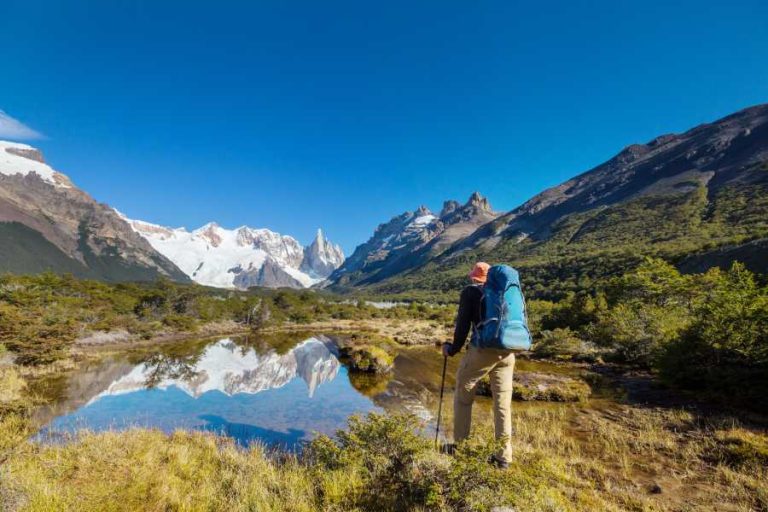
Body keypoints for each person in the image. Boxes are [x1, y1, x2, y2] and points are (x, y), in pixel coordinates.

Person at [441, 261, 515, 468]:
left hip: (482, 351)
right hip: (508, 352)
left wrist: (452, 349)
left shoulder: (471, 292)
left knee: (463, 397)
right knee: (502, 405)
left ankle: (460, 447)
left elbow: (463, 325)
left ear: (474, 277)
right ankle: (503, 458)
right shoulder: (504, 291)